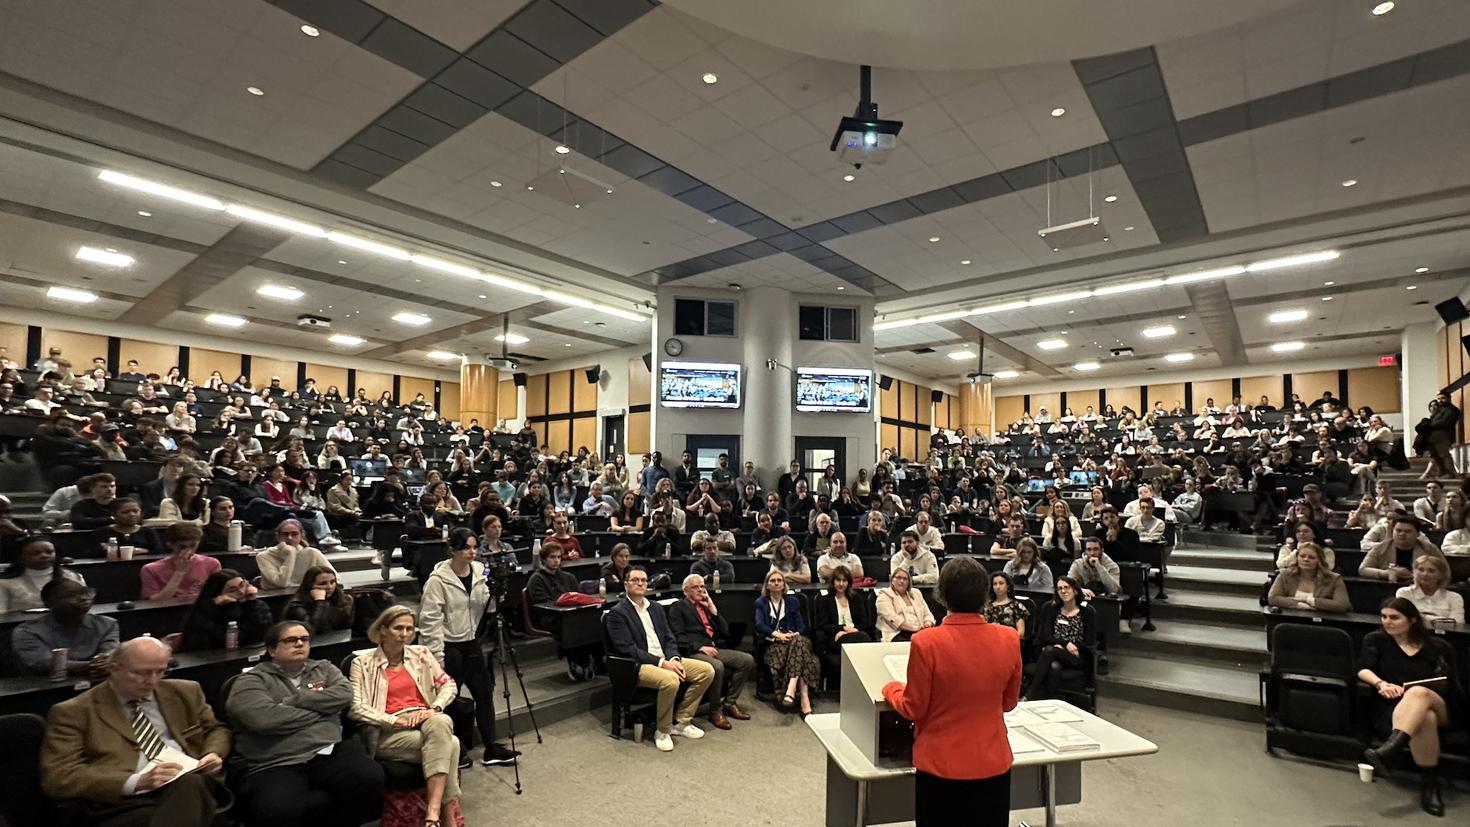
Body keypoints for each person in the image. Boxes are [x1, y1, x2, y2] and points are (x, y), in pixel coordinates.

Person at [882, 557, 1021, 826]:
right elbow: (1008, 703)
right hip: (992, 762)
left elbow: (914, 707)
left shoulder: (925, 641)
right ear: (985, 594)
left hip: (941, 766)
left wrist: (891, 689)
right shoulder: (1009, 637)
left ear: (942, 595)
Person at [40, 636, 230, 825]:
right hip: (121, 800)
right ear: (114, 669)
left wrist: (212, 753)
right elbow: (59, 776)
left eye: (161, 671)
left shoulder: (186, 692)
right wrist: (136, 782)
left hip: (185, 783)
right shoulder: (74, 711)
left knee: (190, 784)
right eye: (142, 673)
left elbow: (215, 729)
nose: (152, 681)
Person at [227, 621, 383, 827]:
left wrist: (295, 700)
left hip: (327, 749)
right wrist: (323, 712)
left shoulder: (324, 668)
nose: (300, 644)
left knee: (369, 778)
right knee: (282, 807)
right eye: (291, 640)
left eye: (304, 639)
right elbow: (264, 720)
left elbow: (345, 695)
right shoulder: (251, 681)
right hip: (276, 759)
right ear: (272, 649)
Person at [348, 607, 463, 825]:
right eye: (398, 628)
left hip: (425, 721)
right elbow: (356, 707)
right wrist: (394, 720)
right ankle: (445, 817)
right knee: (452, 744)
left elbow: (448, 684)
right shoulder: (362, 664)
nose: (405, 634)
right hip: (387, 730)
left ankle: (432, 813)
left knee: (442, 720)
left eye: (409, 629)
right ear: (383, 630)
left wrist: (435, 707)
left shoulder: (421, 655)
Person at [418, 527, 519, 765]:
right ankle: (457, 749)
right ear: (453, 550)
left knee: (484, 693)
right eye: (466, 548)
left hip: (472, 641)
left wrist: (496, 595)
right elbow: (430, 620)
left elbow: (487, 606)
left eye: (474, 547)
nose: (472, 552)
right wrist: (436, 655)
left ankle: (491, 746)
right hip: (449, 644)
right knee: (450, 697)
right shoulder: (437, 580)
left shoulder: (478, 571)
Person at [1358, 598, 1464, 816]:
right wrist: (1381, 683)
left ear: (1413, 620)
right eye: (1384, 617)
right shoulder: (1375, 640)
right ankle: (1430, 784)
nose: (1388, 622)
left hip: (1440, 705)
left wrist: (1417, 690)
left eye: (1395, 617)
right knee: (1425, 720)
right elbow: (1362, 669)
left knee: (1418, 693)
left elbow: (1448, 684)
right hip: (1396, 710)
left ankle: (1391, 749)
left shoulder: (1437, 647)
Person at [605, 567, 715, 751]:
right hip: (639, 665)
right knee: (670, 680)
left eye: (644, 580)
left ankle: (682, 721)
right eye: (635, 580)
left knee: (706, 671)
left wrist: (674, 659)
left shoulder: (655, 608)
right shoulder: (618, 613)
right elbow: (627, 649)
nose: (640, 583)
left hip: (666, 659)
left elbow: (669, 637)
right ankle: (662, 730)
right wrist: (662, 663)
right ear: (626, 584)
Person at [669, 573, 756, 730]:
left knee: (747, 660)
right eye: (696, 587)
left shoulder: (706, 606)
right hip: (692, 650)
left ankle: (729, 703)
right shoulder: (678, 607)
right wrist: (700, 647)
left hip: (714, 647)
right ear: (686, 591)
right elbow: (677, 636)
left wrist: (712, 608)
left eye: (703, 586)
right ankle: (715, 711)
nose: (701, 590)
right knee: (717, 666)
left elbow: (725, 631)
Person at [525, 540, 602, 681]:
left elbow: (578, 597)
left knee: (594, 621)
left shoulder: (568, 577)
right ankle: (578, 662)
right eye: (552, 557)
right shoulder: (536, 579)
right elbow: (542, 606)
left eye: (559, 557)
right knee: (574, 625)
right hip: (550, 618)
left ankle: (596, 660)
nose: (556, 561)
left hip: (573, 615)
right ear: (543, 559)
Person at [11, 578, 119, 677]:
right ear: (49, 603)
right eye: (71, 595)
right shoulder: (27, 631)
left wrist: (105, 662)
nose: (84, 598)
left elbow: (109, 653)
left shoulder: (107, 624)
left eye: (86, 593)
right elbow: (43, 663)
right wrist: (91, 666)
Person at [755, 569, 821, 716]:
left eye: (779, 580)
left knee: (799, 641)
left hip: (794, 640)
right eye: (773, 581)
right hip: (774, 643)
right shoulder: (761, 603)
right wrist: (778, 635)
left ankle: (791, 689)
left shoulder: (792, 602)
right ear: (767, 585)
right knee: (805, 656)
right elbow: (759, 625)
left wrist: (795, 634)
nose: (776, 583)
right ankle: (805, 699)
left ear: (784, 584)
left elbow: (802, 627)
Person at [1022, 577, 1096, 701]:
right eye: (1060, 588)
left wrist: (1069, 645)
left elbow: (1089, 642)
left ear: (1076, 591)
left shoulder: (1087, 612)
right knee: (1054, 666)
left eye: (1066, 588)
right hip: (1053, 652)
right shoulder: (1051, 608)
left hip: (1076, 655)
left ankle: (1030, 694)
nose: (1063, 591)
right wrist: (1064, 644)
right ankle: (1052, 700)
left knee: (1051, 651)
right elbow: (1046, 635)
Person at [179, 569, 273, 651]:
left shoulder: (256, 605)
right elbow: (229, 642)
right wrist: (231, 608)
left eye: (242, 585)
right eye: (232, 590)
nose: (241, 592)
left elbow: (260, 635)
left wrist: (251, 603)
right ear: (217, 594)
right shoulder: (205, 612)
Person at [813, 564, 877, 672]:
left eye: (844, 580)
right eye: (838, 580)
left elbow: (865, 623)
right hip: (835, 638)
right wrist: (843, 629)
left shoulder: (856, 598)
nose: (841, 584)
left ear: (849, 582)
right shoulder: (825, 599)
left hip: (855, 633)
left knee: (862, 636)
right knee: (864, 638)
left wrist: (849, 631)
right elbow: (823, 625)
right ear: (833, 582)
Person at [0, 535, 85, 613]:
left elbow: (84, 605)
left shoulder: (72, 577)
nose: (44, 556)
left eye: (49, 552)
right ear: (21, 557)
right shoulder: (4, 583)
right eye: (35, 553)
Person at [140, 522, 221, 601]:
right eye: (182, 547)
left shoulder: (212, 564)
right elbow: (155, 602)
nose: (189, 551)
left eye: (193, 545)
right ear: (170, 545)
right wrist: (179, 572)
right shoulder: (150, 569)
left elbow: (216, 595)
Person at [1360, 515, 1446, 583]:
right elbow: (1363, 569)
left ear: (1417, 534)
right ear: (1392, 531)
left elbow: (1445, 572)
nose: (1402, 534)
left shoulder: (1429, 549)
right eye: (1398, 530)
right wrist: (1386, 573)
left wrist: (1418, 575)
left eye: (1408, 531)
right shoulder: (1380, 547)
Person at [1267, 542, 1349, 612]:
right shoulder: (1285, 575)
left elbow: (1341, 605)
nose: (1306, 559)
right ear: (1297, 558)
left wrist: (1309, 600)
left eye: (1311, 557)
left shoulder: (1334, 578)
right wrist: (1299, 605)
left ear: (1319, 561)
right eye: (1302, 556)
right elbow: (1273, 598)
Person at [256, 519, 337, 589]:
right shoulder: (264, 556)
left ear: (302, 535)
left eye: (294, 534)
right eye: (285, 534)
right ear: (278, 537)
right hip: (274, 599)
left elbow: (335, 578)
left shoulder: (312, 553)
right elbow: (281, 583)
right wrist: (290, 555)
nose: (290, 538)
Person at [282, 565, 356, 634]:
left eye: (332, 582)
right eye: (322, 583)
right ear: (310, 585)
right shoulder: (296, 605)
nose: (329, 587)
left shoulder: (344, 599)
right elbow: (313, 629)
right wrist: (320, 601)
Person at [1396, 555, 1465, 624]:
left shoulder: (1455, 597)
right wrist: (1443, 619)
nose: (1425, 574)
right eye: (1421, 570)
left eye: (1431, 571)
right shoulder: (1404, 593)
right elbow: (1405, 618)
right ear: (1414, 572)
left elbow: (1458, 623)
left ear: (1441, 575)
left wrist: (1422, 617)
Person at [876, 566, 935, 642]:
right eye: (898, 577)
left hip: (920, 630)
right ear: (892, 580)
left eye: (905, 578)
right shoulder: (884, 595)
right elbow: (893, 619)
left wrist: (927, 623)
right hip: (897, 632)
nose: (902, 581)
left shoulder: (916, 593)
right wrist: (915, 628)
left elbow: (927, 614)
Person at [983, 571, 1028, 637]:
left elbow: (1020, 633)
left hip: (1009, 641)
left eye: (1001, 583)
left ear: (1008, 587)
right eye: (995, 584)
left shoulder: (1016, 606)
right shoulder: (987, 606)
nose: (998, 587)